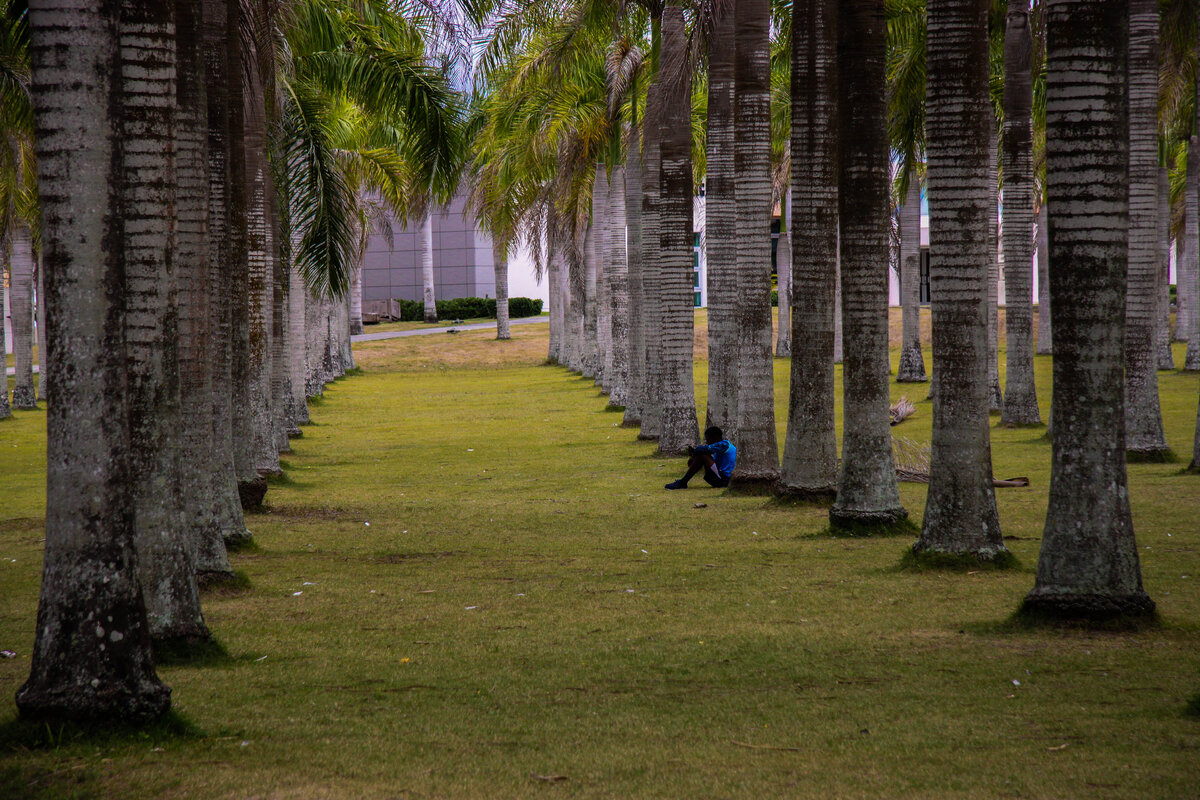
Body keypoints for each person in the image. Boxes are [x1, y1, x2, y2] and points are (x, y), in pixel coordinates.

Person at [665, 426, 737, 489]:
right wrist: (694, 458)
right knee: (703, 455)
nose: (707, 442)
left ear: (715, 438)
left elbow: (700, 449)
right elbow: (695, 463)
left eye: (708, 440)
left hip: (726, 480)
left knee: (703, 455)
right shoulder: (718, 450)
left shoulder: (724, 445)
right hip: (721, 478)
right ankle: (682, 482)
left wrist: (695, 453)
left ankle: (682, 482)